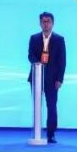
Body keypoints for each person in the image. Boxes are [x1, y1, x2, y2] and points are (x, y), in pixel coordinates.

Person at [27, 11, 66, 144]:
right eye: (43, 21)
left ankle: (51, 134)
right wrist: (37, 63)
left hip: (53, 79)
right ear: (40, 23)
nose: (46, 24)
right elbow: (30, 55)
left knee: (52, 106)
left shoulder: (59, 39)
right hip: (36, 77)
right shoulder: (34, 38)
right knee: (37, 106)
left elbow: (62, 61)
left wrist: (60, 79)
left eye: (48, 21)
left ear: (52, 23)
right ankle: (36, 131)